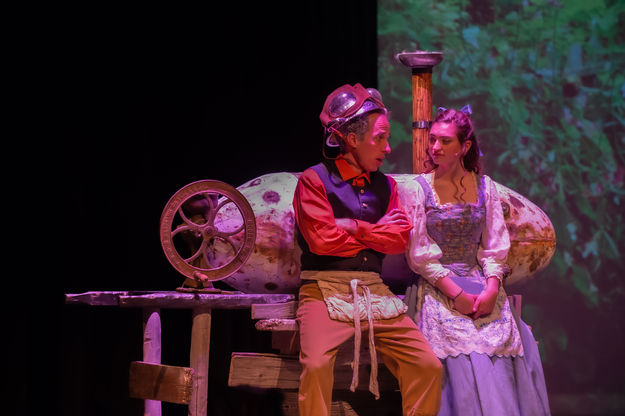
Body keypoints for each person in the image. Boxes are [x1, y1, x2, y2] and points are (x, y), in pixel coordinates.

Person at [292, 83, 443, 416]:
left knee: (427, 366)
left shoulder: (386, 186)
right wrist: (374, 233)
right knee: (316, 366)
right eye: (380, 138)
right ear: (351, 139)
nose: (388, 148)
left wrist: (353, 227)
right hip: (323, 289)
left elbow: (399, 239)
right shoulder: (313, 180)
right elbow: (321, 240)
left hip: (375, 292)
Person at [403, 106, 551, 416]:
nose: (435, 148)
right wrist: (455, 293)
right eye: (433, 140)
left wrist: (491, 289)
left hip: (478, 281)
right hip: (437, 283)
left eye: (445, 141)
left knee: (501, 340)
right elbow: (419, 254)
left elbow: (495, 247)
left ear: (464, 147)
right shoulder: (418, 189)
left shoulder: (486, 188)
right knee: (460, 350)